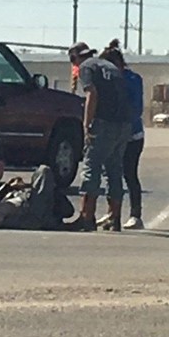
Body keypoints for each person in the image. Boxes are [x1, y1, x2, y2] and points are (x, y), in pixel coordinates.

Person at [67, 40, 130, 232]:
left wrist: (87, 125)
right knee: (114, 170)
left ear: (76, 58)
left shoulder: (86, 67)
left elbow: (91, 94)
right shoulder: (110, 66)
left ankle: (87, 217)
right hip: (124, 123)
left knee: (91, 167)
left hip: (103, 122)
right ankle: (114, 217)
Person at [99, 41, 146, 231]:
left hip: (132, 136)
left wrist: (121, 122)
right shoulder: (107, 80)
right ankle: (112, 212)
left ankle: (136, 215)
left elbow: (137, 108)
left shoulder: (133, 79)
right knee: (110, 175)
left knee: (129, 173)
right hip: (110, 135)